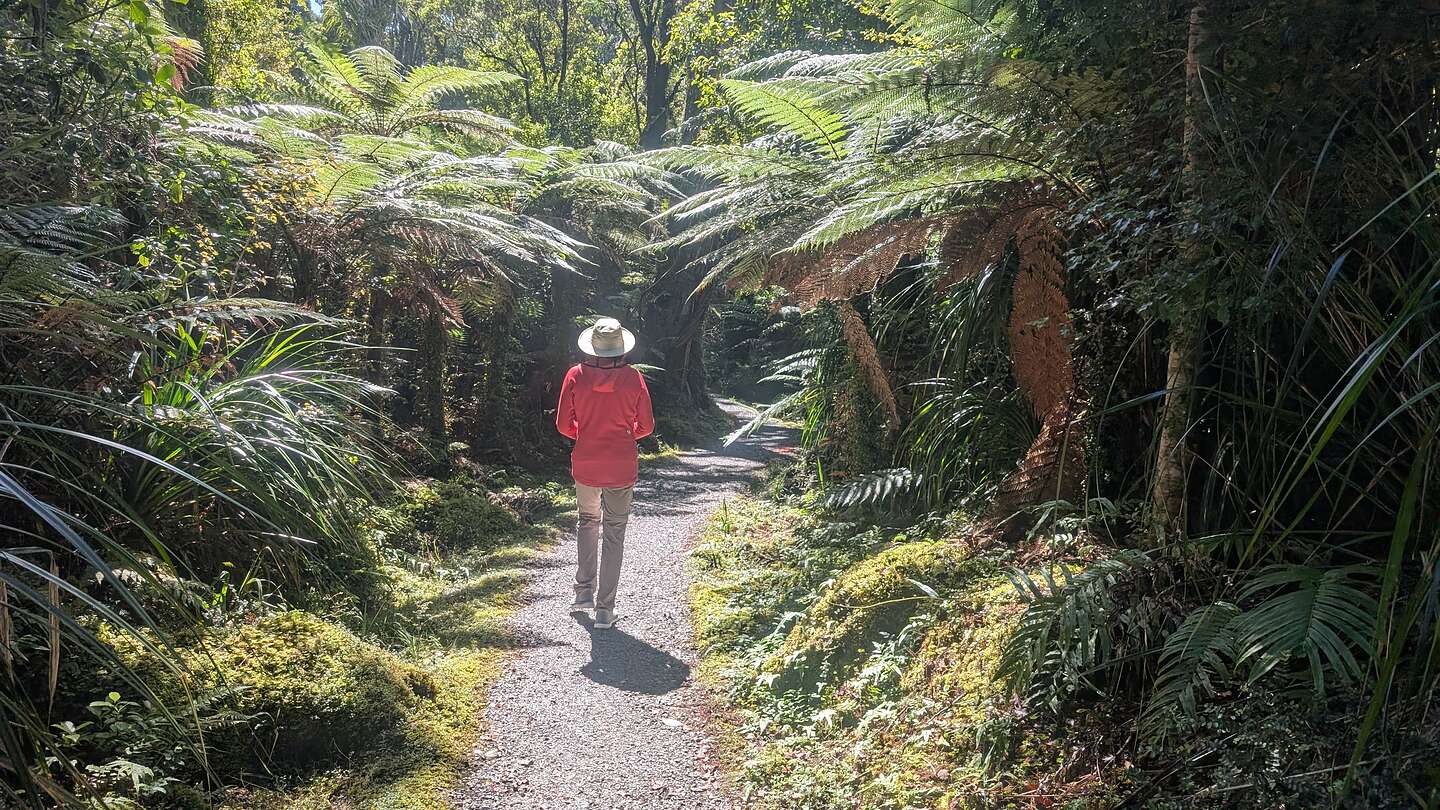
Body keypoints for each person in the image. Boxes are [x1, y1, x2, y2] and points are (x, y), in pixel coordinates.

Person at [554, 317, 654, 629]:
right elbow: (647, 426)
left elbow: (562, 425)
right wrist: (625, 435)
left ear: (593, 347)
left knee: (587, 522)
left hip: (586, 461)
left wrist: (585, 433)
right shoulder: (634, 378)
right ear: (621, 348)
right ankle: (605, 610)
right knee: (614, 532)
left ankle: (583, 593)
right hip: (621, 464)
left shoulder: (575, 375)